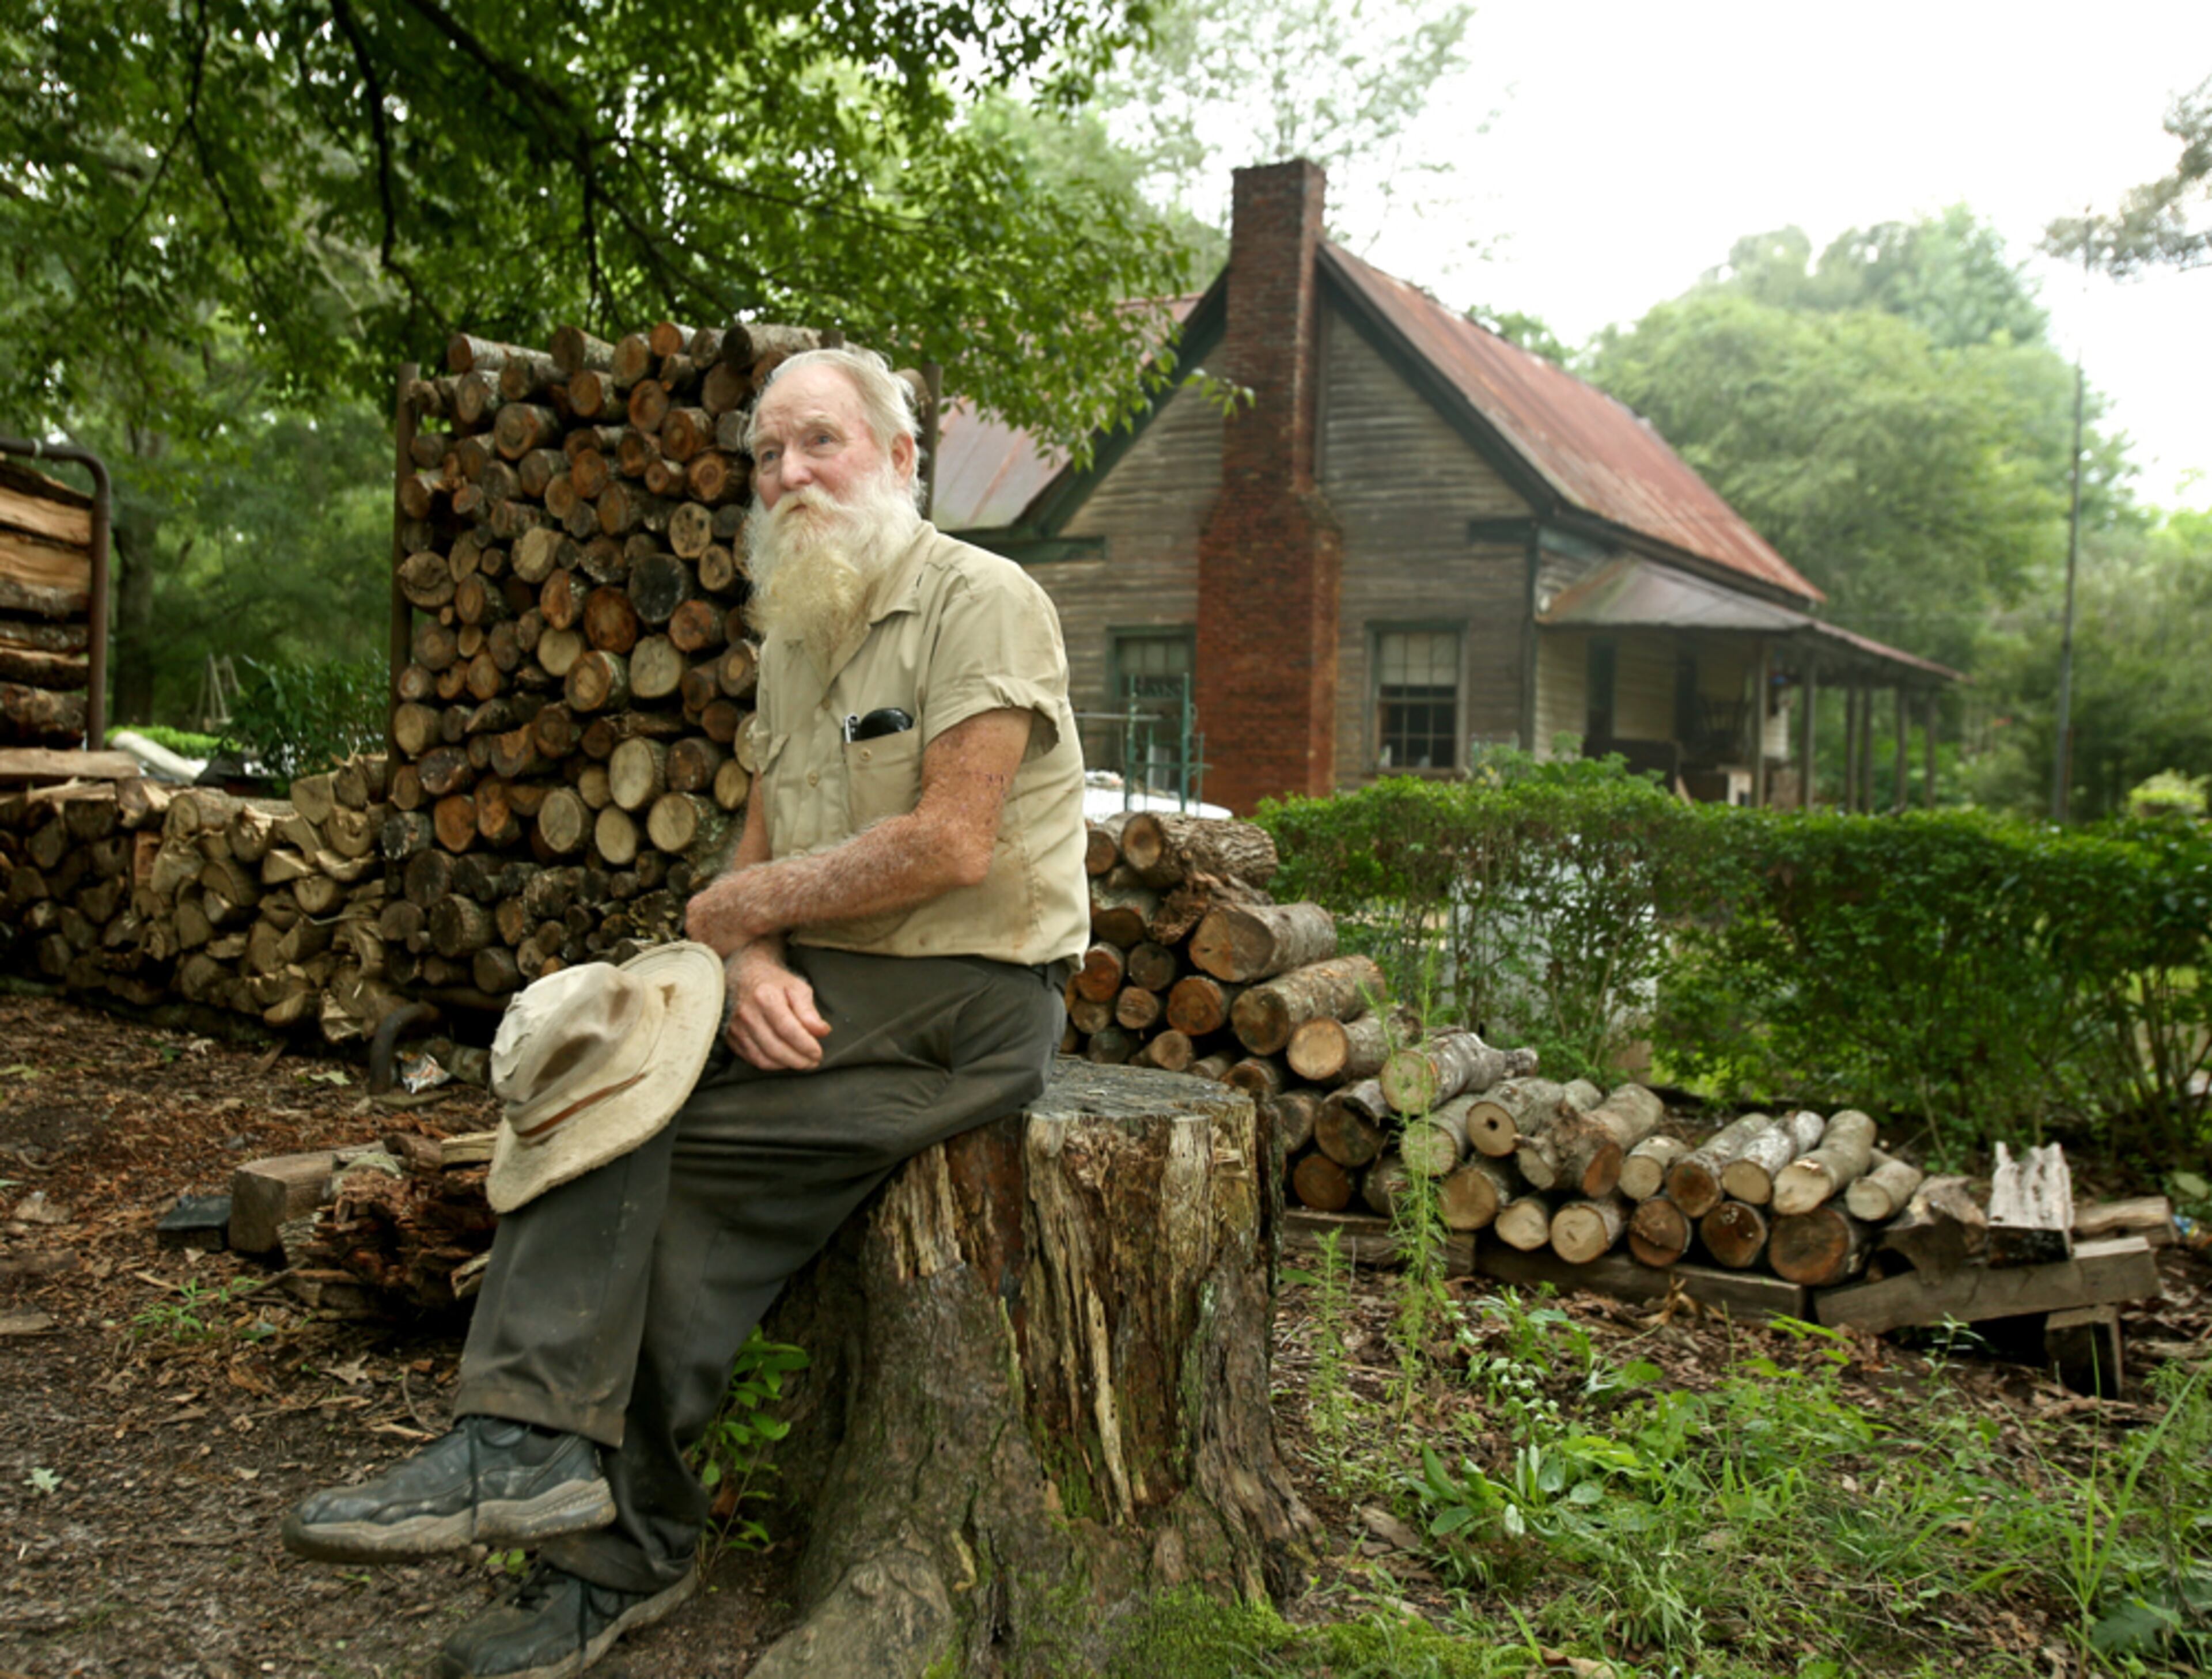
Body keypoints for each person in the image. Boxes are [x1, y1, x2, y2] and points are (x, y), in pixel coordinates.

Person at [282, 347, 1090, 1679]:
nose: (788, 477)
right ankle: (587, 1516)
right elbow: (749, 874)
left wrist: (737, 915)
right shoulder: (798, 636)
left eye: (819, 443)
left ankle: (533, 1457)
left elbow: (951, 842)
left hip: (966, 998)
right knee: (613, 1110)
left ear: (900, 458)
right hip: (823, 987)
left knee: (631, 1130)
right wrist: (756, 960)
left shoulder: (984, 599)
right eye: (768, 456)